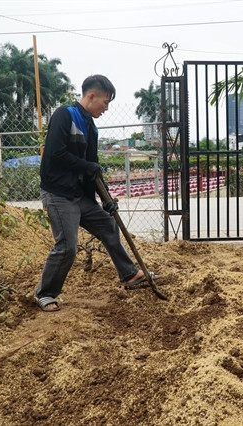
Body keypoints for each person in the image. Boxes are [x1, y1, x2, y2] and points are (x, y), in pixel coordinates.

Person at [34, 74, 153, 311]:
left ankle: (130, 275)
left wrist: (106, 199)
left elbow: (93, 169)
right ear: (91, 95)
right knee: (67, 246)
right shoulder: (65, 115)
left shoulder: (91, 127)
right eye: (105, 102)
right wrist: (86, 166)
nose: (106, 108)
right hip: (59, 194)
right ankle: (45, 293)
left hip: (81, 195)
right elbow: (55, 154)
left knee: (108, 226)